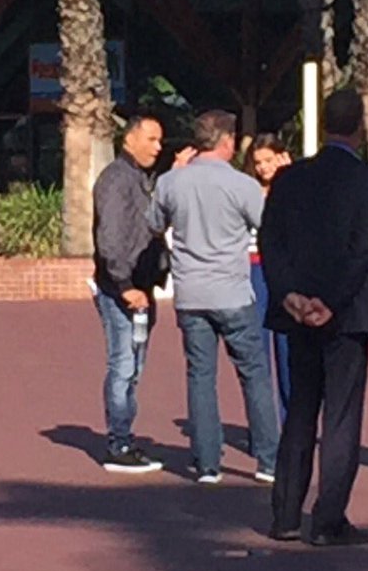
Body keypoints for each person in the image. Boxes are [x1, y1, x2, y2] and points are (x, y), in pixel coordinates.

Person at [260, 89, 368, 546]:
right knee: (341, 417)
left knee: (300, 410)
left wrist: (289, 294)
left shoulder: (290, 178)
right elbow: (363, 249)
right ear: (360, 129)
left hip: (298, 311)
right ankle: (328, 520)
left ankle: (285, 515)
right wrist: (331, 302)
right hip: (345, 314)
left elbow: (270, 240)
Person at [149, 109, 279, 485]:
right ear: (226, 141)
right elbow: (268, 225)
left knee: (201, 375)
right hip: (233, 290)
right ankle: (268, 461)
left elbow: (153, 223)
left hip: (191, 293)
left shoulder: (171, 182)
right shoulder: (242, 184)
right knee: (254, 374)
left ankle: (207, 463)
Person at [93, 114, 194, 474]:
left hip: (142, 287)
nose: (157, 147)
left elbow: (152, 221)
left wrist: (174, 175)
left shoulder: (142, 179)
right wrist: (125, 286)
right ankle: (118, 444)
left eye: (160, 140)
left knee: (133, 366)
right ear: (129, 139)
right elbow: (110, 239)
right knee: (123, 365)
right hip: (123, 290)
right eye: (151, 139)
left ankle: (124, 438)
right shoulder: (116, 180)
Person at [243, 134, 291, 421]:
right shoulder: (247, 190)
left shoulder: (295, 187)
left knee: (288, 348)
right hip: (254, 269)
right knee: (257, 349)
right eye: (258, 162)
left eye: (268, 160)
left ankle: (291, 422)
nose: (263, 167)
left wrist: (289, 180)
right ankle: (262, 426)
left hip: (284, 270)